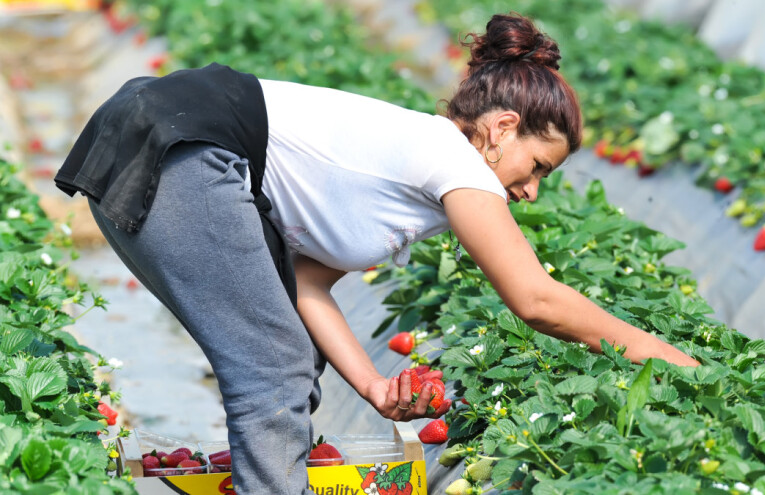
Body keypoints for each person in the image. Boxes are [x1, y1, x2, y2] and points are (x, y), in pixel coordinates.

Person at [55, 12, 699, 494]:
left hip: (160, 132)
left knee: (286, 357)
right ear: (502, 129)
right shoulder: (454, 161)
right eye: (538, 167)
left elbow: (305, 286)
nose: (530, 192)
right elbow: (534, 299)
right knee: (271, 371)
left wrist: (370, 385)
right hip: (185, 147)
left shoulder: (422, 175)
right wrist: (656, 352)